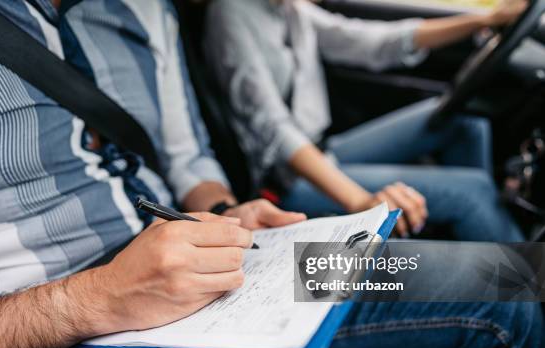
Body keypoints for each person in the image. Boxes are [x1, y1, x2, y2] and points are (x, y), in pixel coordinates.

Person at [0, 1, 544, 348]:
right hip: (51, 342)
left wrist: (224, 210)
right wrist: (89, 298)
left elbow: (188, 160)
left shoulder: (143, 10)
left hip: (220, 267)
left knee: (502, 278)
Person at [203, 0, 527, 242]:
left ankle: (474, 243)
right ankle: (524, 285)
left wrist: (486, 19)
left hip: (326, 146)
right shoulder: (231, 13)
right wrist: (361, 201)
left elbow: (370, 41)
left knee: (464, 120)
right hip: (288, 179)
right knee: (474, 193)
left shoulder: (289, 8)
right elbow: (273, 129)